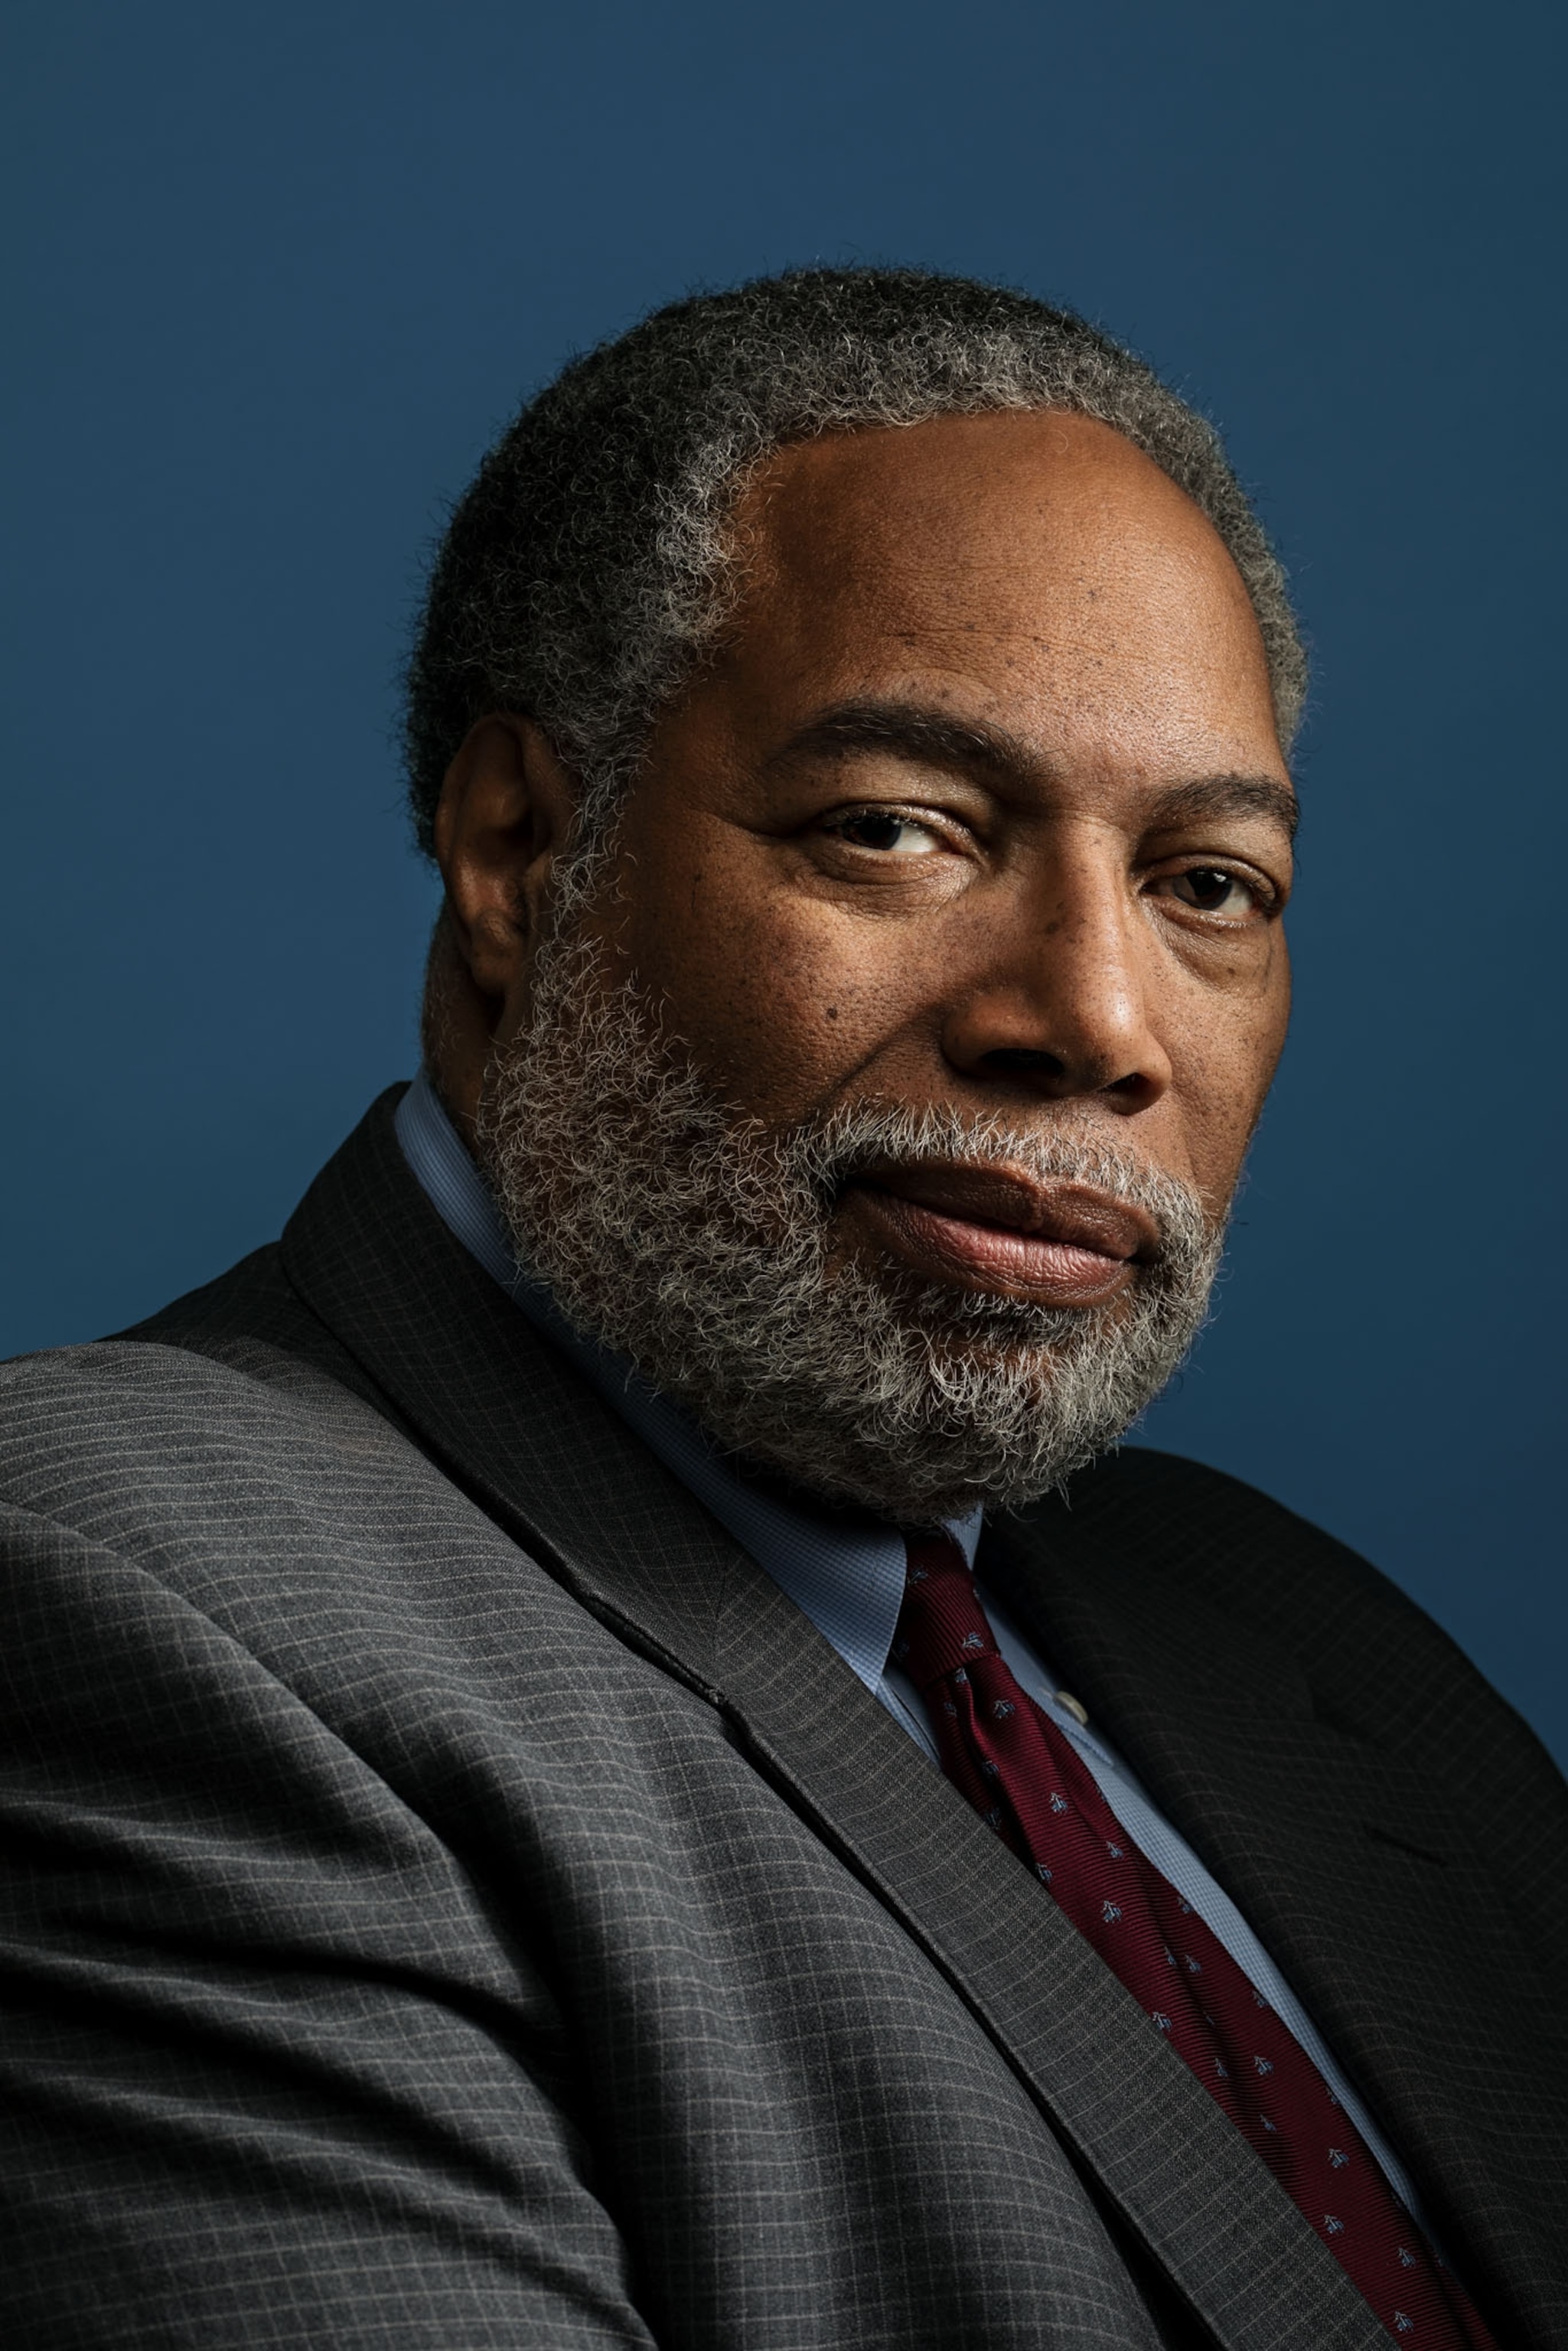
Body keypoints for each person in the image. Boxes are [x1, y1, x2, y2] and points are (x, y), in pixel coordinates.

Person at [1, 268, 1561, 2351]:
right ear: (516, 846)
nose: (1094, 1022)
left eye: (1206, 885)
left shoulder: (1298, 1637)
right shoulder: (113, 1596)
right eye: (898, 832)